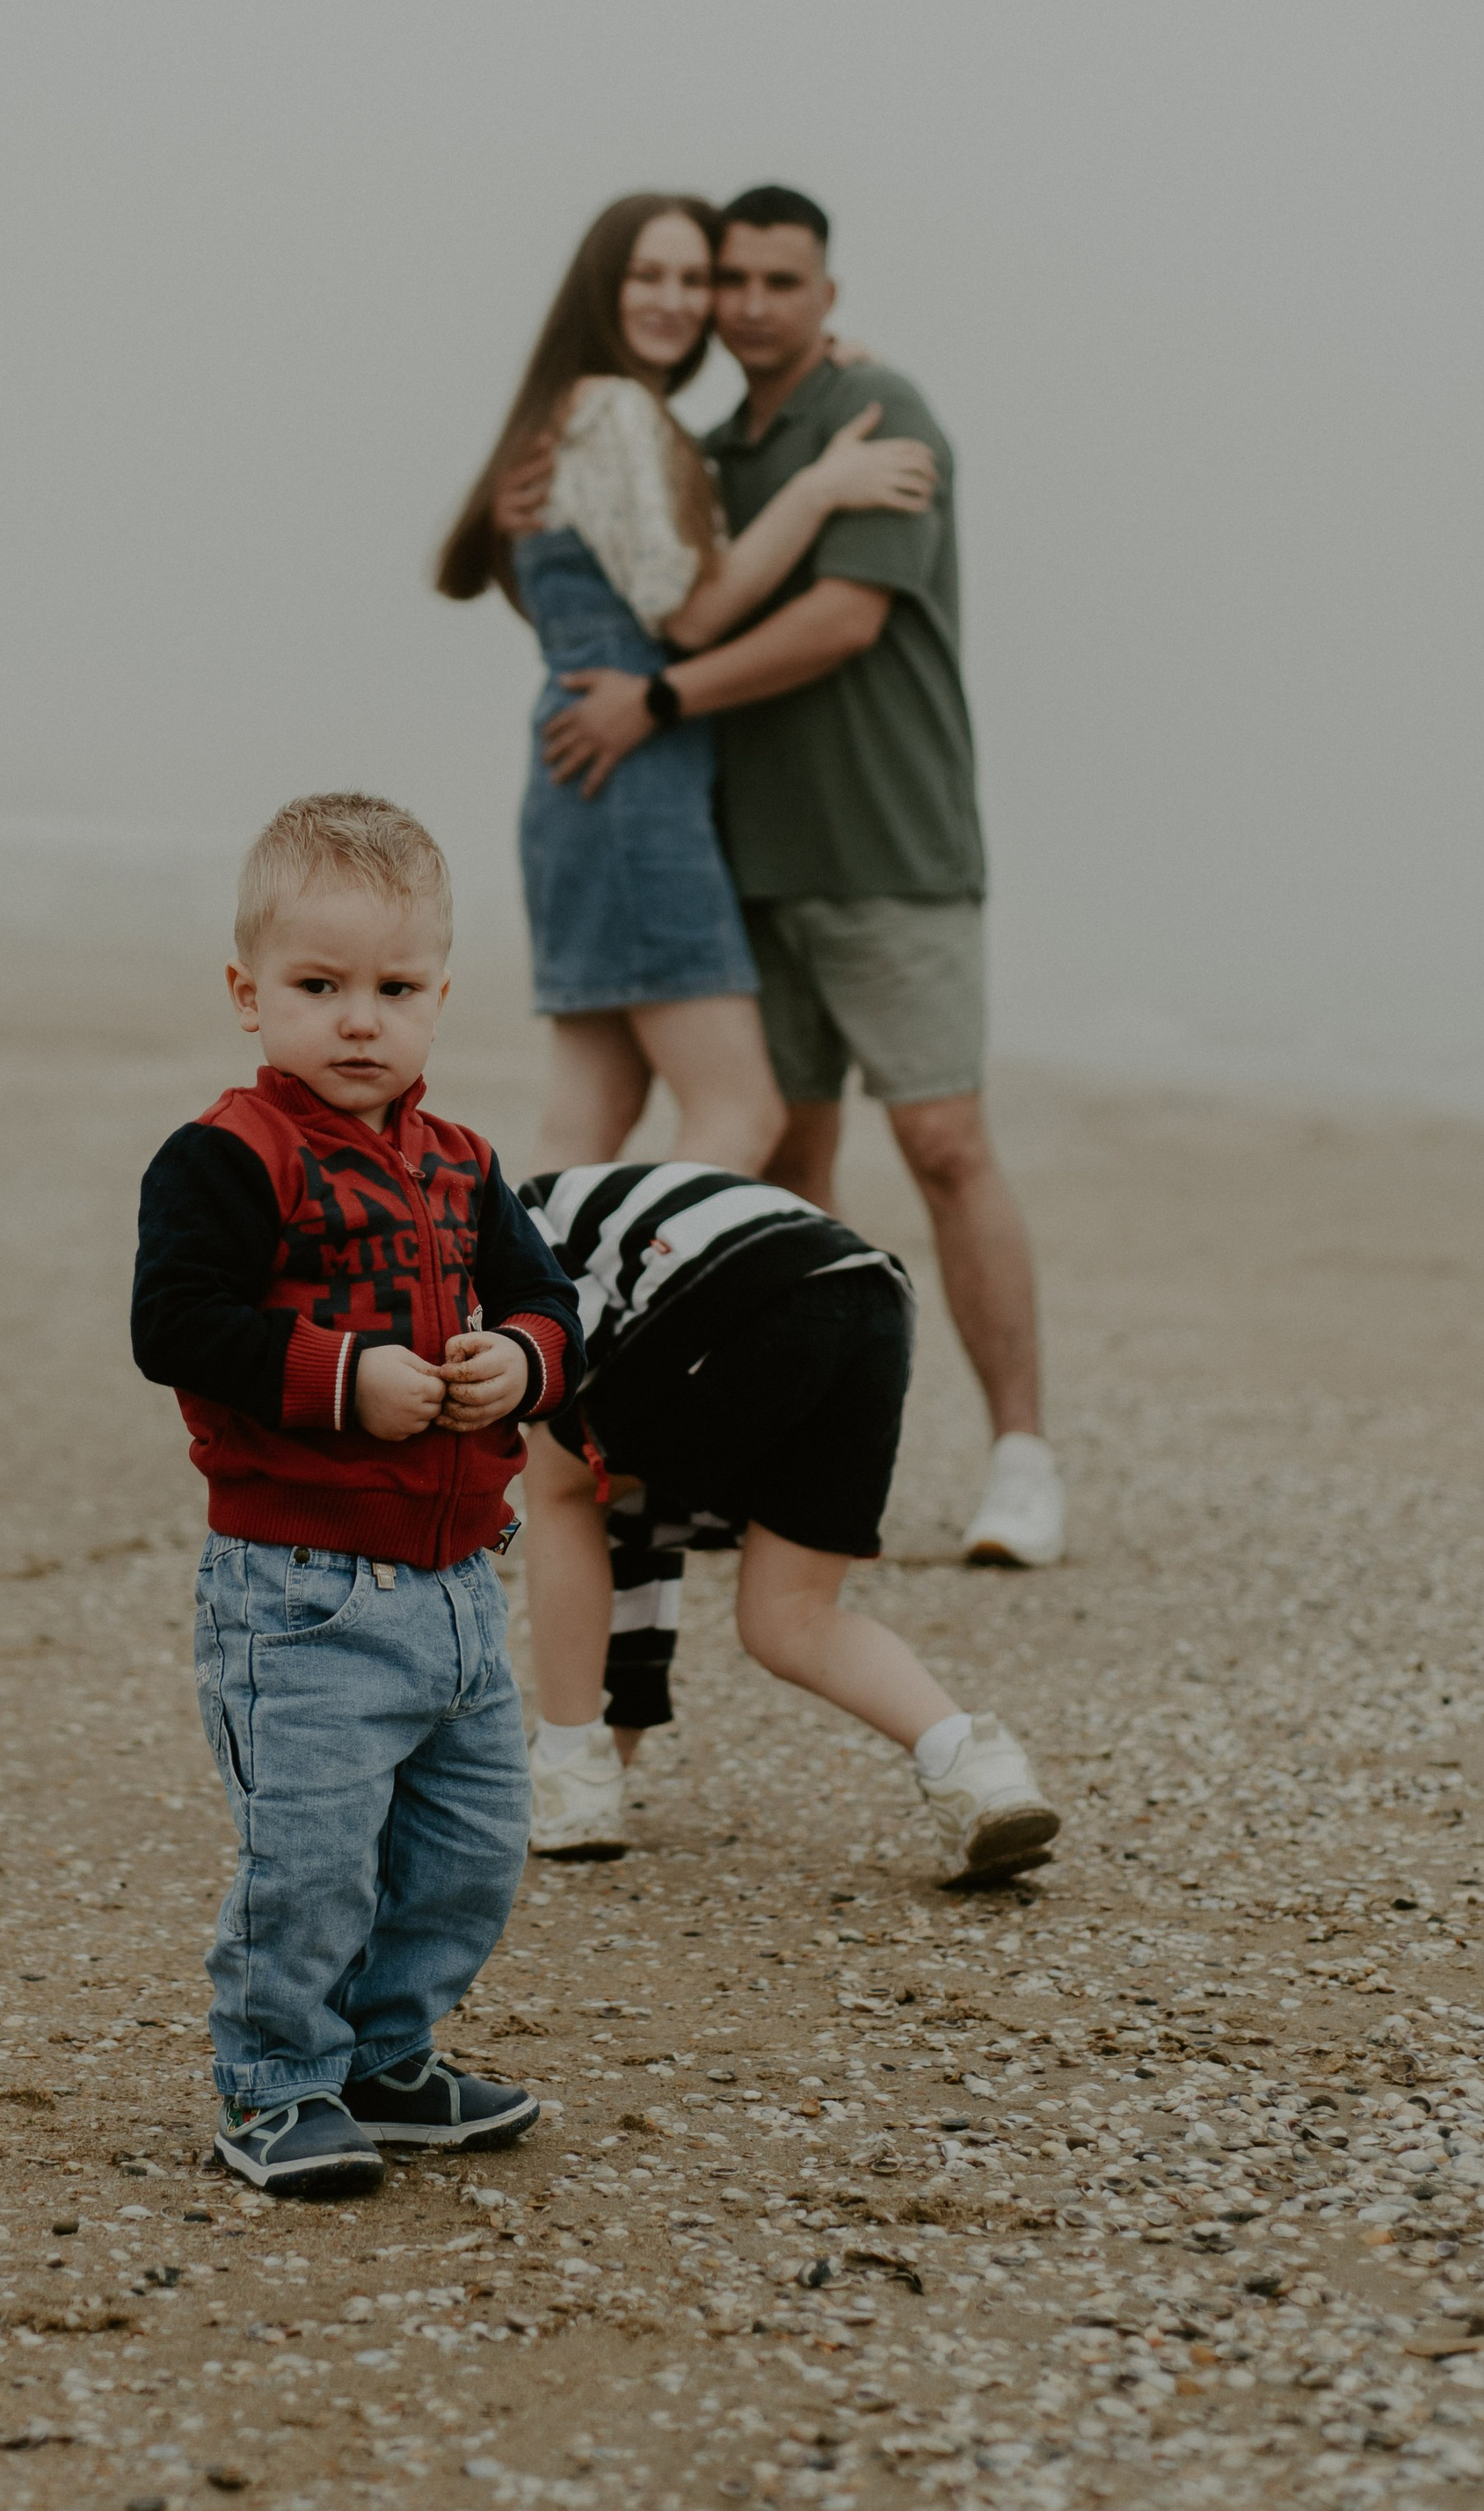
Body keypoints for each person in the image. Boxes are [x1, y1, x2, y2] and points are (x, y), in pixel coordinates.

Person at [532, 186, 1064, 1578]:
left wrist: (658, 697)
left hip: (893, 854)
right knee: (788, 1170)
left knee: (947, 1147)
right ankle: (760, 1460)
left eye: (780, 279)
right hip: (744, 862)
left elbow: (845, 616)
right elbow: (624, 561)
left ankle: (1023, 1462)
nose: (751, 303)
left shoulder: (882, 417)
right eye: (732, 280)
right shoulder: (698, 448)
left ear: (825, 292)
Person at [130, 793, 584, 2200]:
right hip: (301, 1589)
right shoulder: (228, 1155)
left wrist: (520, 1360)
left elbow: (546, 1295)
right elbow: (177, 1323)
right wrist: (342, 1378)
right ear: (247, 992)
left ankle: (389, 2057)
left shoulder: (459, 1164)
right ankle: (276, 2084)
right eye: (318, 989)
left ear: (440, 997)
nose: (358, 1022)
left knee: (467, 1849)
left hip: (454, 1586)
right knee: (311, 1860)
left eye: (393, 991)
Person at [435, 192, 938, 1182]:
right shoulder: (618, 411)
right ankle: (631, 1335)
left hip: (574, 785)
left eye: (691, 278)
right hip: (635, 788)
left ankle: (521, 1332)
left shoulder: (585, 411)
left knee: (587, 1121)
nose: (677, 299)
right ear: (602, 287)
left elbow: (562, 597)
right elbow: (694, 616)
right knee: (740, 1117)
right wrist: (817, 487)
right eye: (648, 276)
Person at [516, 1155, 1062, 1881]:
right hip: (872, 1300)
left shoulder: (500, 1229)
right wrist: (615, 1745)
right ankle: (973, 1764)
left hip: (745, 1284)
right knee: (789, 1615)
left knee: (553, 1477)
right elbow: (633, 1531)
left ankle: (565, 1769)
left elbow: (553, 1377)